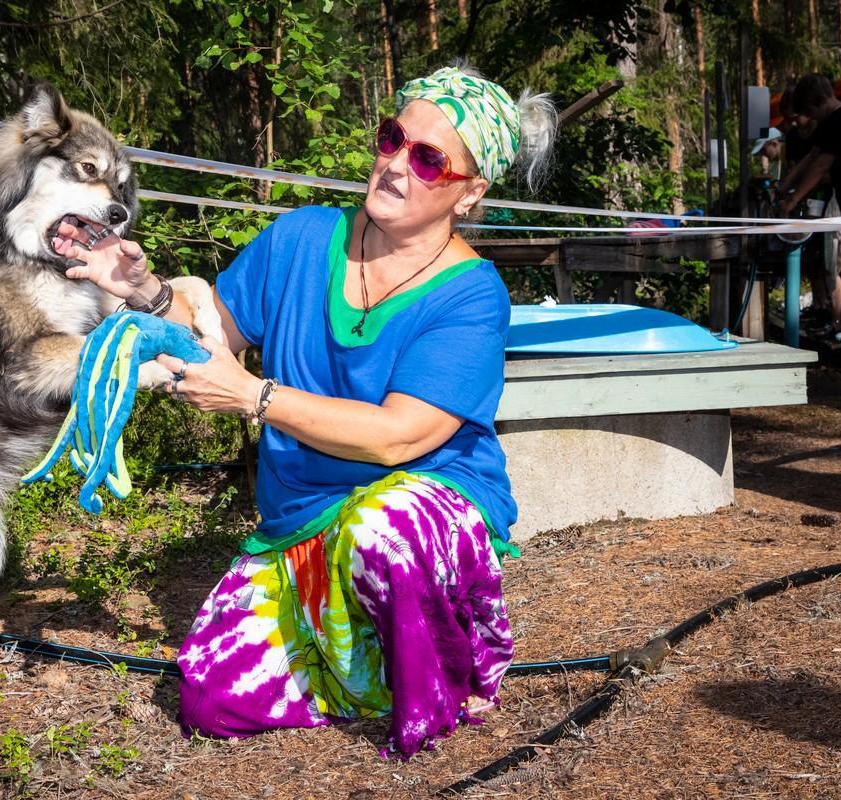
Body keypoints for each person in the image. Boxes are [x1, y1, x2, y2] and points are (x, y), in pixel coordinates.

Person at [57, 65, 556, 757]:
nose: (396, 165)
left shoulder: (470, 296)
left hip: (422, 508)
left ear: (470, 193)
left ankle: (445, 664)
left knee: (383, 534)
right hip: (305, 518)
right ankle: (367, 664)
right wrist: (139, 288)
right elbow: (214, 334)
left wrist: (254, 397)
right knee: (211, 700)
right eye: (392, 138)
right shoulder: (300, 239)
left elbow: (396, 438)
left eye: (429, 158)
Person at [780, 74, 841, 346]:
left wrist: (792, 200)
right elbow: (811, 157)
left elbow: (821, 166)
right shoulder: (835, 120)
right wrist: (785, 184)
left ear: (817, 101)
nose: (809, 118)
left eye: (808, 111)